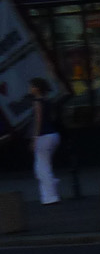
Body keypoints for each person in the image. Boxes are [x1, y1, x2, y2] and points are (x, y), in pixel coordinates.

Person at [28, 77, 62, 205]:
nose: (30, 89)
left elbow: (38, 121)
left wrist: (34, 139)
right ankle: (48, 192)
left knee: (42, 167)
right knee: (42, 166)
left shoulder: (37, 102)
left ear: (36, 88)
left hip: (44, 136)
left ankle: (51, 196)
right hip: (53, 135)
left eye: (31, 86)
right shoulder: (47, 101)